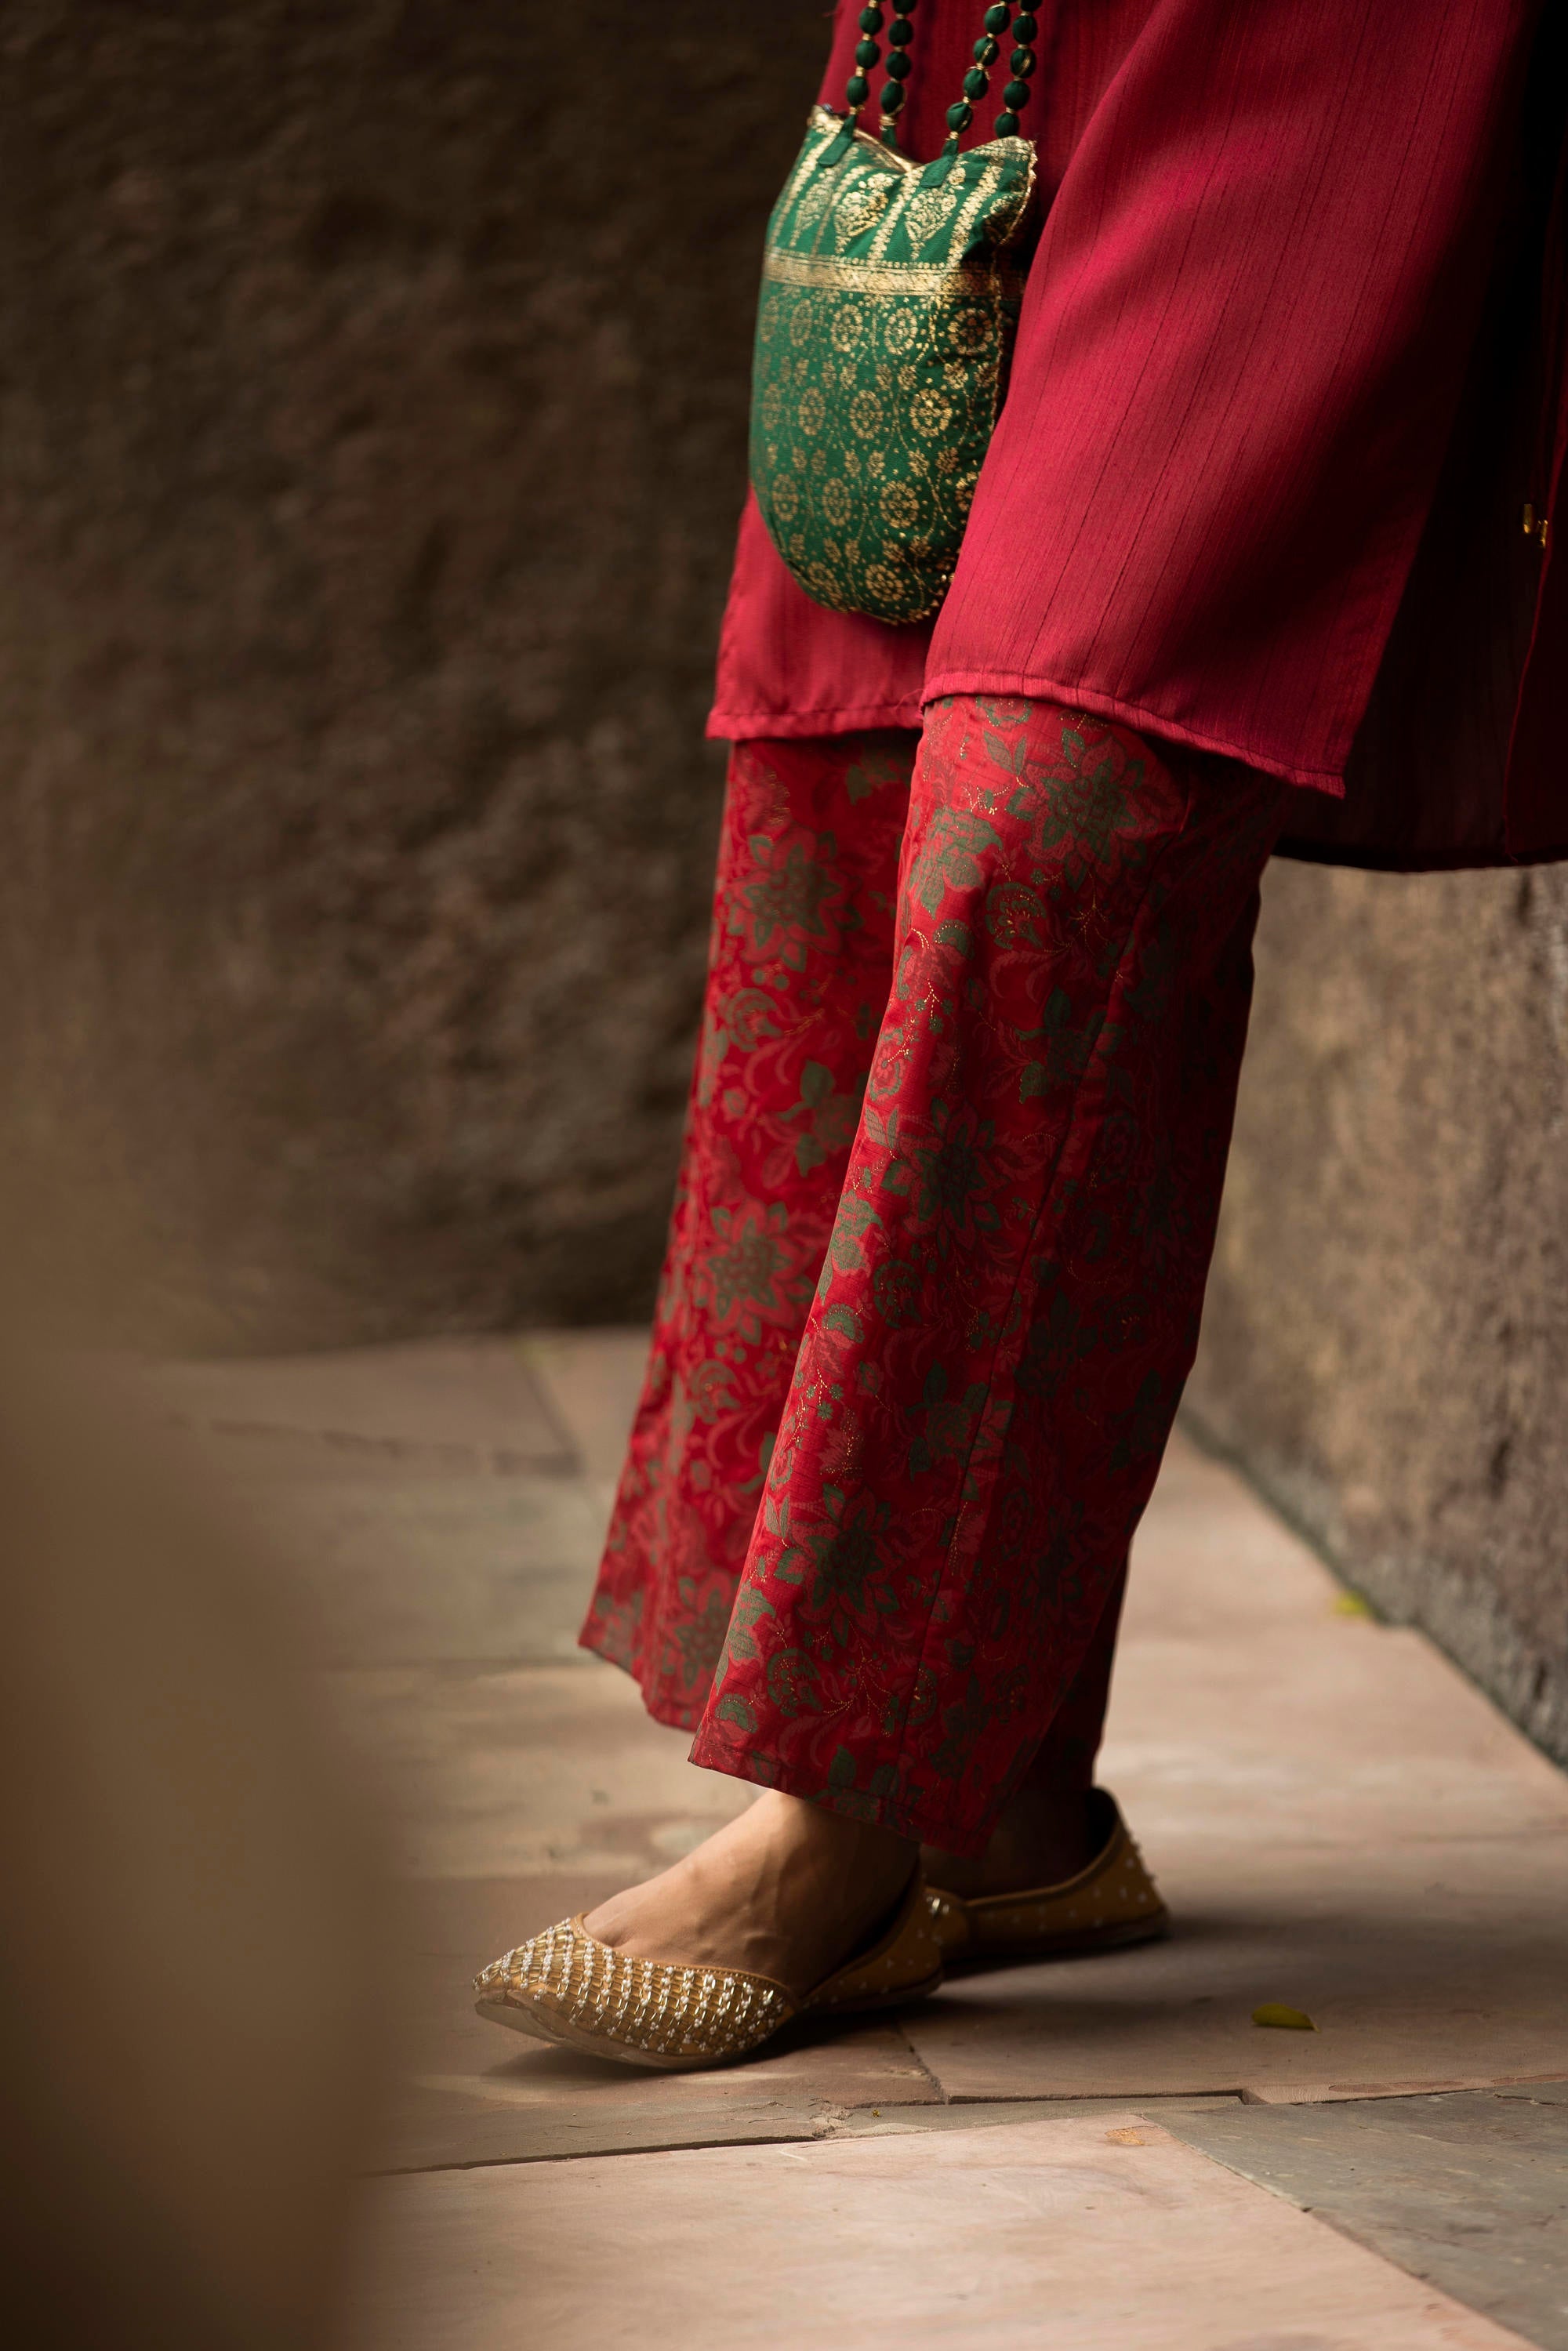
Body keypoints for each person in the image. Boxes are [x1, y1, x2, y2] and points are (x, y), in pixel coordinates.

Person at [476, 0, 1566, 2068]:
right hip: (983, 36)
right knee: (855, 770)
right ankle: (1010, 1810)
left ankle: (847, 1803)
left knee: (1052, 813)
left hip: (1317, 50)